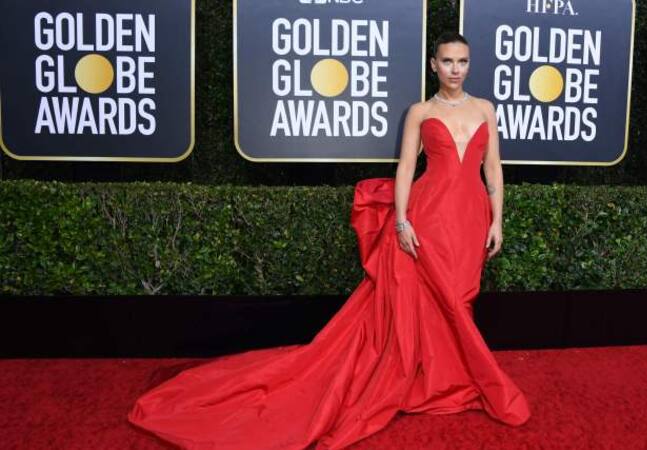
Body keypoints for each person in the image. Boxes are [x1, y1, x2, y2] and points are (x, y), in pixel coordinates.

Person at [128, 31, 530, 450]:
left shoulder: (486, 110)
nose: (455, 70)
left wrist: (496, 220)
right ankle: (431, 381)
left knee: (458, 299)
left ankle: (448, 378)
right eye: (447, 62)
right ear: (434, 65)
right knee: (432, 302)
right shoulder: (420, 111)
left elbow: (494, 169)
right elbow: (407, 168)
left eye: (462, 62)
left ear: (470, 64)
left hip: (469, 219)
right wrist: (402, 221)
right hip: (427, 219)